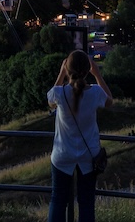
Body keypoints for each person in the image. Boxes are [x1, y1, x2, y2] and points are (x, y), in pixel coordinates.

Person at [47, 50, 113, 222]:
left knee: (58, 201)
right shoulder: (96, 93)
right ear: (87, 71)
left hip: (62, 154)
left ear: (67, 69)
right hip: (88, 156)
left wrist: (62, 73)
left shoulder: (60, 94)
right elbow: (110, 101)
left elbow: (50, 102)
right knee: (86, 203)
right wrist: (97, 74)